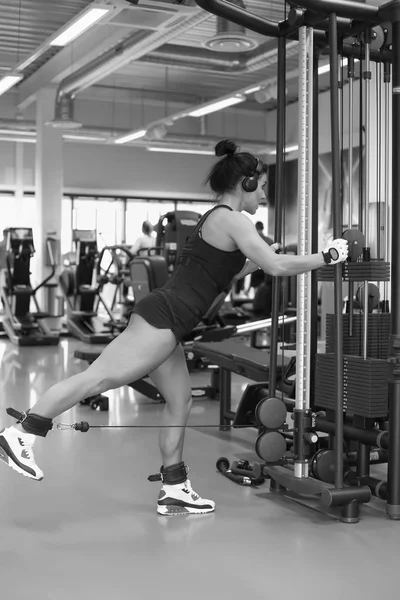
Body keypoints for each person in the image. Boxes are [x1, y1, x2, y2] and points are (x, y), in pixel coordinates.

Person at [0, 139, 348, 517]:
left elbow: (234, 270)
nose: (264, 194)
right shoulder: (232, 219)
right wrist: (326, 256)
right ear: (246, 183)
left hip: (170, 321)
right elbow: (277, 267)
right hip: (164, 318)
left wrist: (266, 257)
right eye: (261, 186)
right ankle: (23, 434)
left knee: (180, 400)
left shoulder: (218, 220)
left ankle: (175, 487)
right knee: (97, 379)